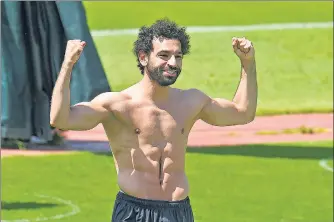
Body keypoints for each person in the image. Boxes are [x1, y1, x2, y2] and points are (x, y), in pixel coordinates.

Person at [50, 18, 258, 222]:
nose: (173, 63)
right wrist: (68, 65)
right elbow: (61, 119)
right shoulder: (118, 105)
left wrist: (247, 63)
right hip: (134, 212)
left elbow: (243, 113)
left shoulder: (191, 102)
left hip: (179, 212)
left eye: (178, 56)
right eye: (164, 55)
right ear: (143, 57)